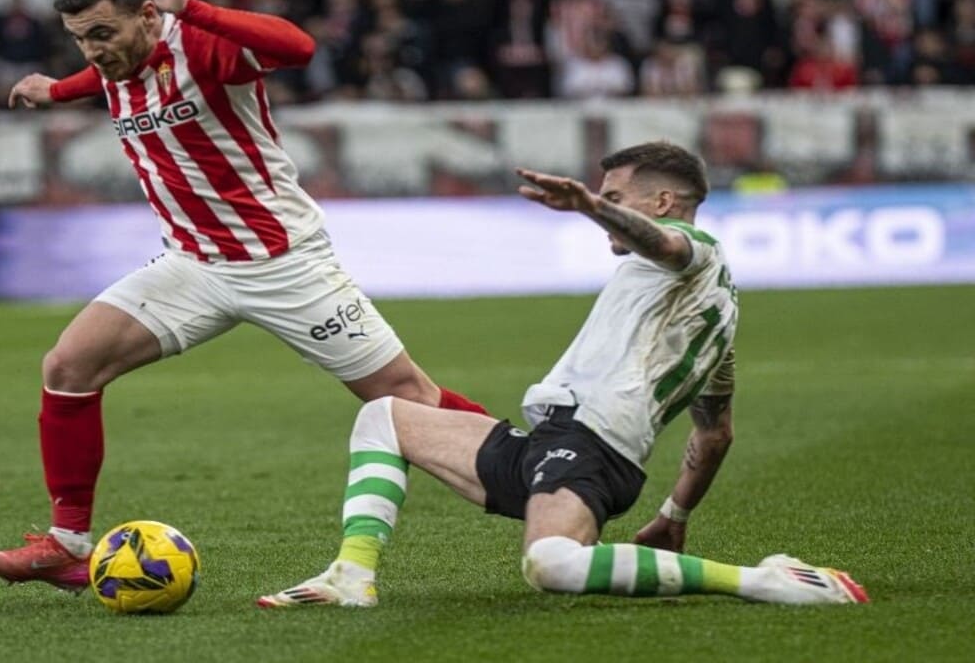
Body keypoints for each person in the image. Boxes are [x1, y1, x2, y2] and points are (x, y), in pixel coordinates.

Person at [0, 0, 486, 591]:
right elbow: (104, 79)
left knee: (407, 400)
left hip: (281, 263)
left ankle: (541, 471)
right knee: (69, 366)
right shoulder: (113, 66)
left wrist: (197, 9)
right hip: (193, 265)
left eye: (101, 34)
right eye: (79, 38)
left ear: (149, 15)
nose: (92, 51)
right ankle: (68, 543)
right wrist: (57, 88)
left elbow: (297, 48)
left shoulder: (203, 49)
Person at [258, 143, 869, 608]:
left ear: (661, 204)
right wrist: (673, 518)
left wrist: (587, 207)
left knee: (551, 566)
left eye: (617, 197)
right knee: (383, 417)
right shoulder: (713, 320)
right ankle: (352, 576)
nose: (608, 211)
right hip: (547, 442)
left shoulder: (692, 248)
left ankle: (762, 580)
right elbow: (716, 435)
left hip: (592, 448)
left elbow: (667, 246)